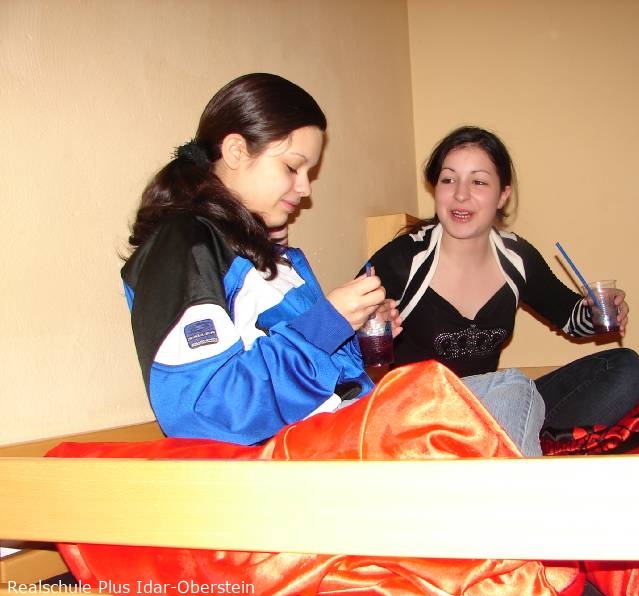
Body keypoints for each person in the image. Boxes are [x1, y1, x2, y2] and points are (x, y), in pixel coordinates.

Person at [120, 74, 544, 455]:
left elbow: (307, 368)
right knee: (512, 391)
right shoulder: (185, 247)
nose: (305, 188)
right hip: (293, 452)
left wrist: (356, 336)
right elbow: (203, 410)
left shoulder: (260, 251)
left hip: (333, 428)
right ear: (235, 151)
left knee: (516, 389)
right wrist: (328, 322)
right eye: (292, 167)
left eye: (309, 172)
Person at [365, 125, 639, 429]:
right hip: (420, 419)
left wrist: (600, 309)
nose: (460, 194)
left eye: (478, 181)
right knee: (513, 389)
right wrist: (368, 327)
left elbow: (570, 318)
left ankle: (513, 436)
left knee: (624, 367)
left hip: (492, 410)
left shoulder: (517, 258)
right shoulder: (404, 259)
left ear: (502, 195)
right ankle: (516, 439)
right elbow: (342, 345)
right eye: (448, 179)